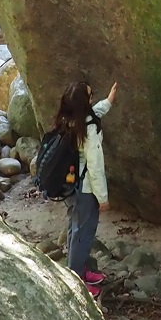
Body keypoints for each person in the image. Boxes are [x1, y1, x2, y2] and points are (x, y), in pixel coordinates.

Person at [54, 79, 117, 287]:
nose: (93, 98)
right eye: (91, 96)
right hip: (85, 188)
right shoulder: (89, 130)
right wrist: (103, 198)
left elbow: (92, 113)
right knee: (84, 233)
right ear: (84, 103)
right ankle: (78, 280)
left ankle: (76, 271)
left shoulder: (68, 119)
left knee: (74, 227)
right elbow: (95, 168)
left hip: (70, 185)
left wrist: (108, 101)